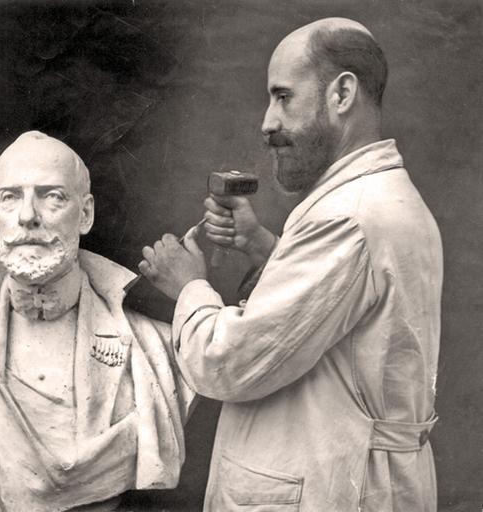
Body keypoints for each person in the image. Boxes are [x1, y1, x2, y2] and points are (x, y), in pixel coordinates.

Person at [139, 17, 442, 512]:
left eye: (283, 97)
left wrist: (189, 286)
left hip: (336, 489)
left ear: (342, 94)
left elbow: (228, 363)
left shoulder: (347, 216)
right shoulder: (383, 197)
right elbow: (344, 315)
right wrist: (262, 246)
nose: (267, 122)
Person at [0, 131, 194, 512]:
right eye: (10, 197)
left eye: (52, 196)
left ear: (86, 214)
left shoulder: (158, 353)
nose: (28, 216)